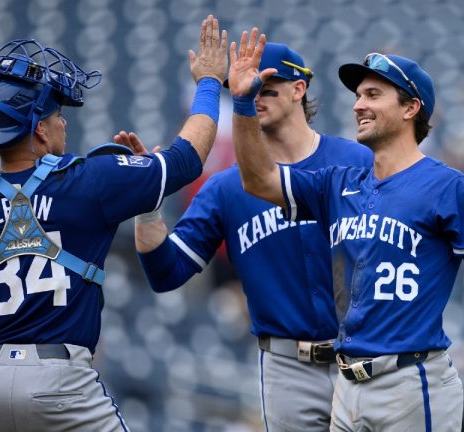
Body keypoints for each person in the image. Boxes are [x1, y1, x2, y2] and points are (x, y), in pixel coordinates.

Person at [0, 15, 228, 432]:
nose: (64, 122)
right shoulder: (90, 179)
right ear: (39, 129)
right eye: (57, 115)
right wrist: (208, 83)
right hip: (58, 381)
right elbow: (187, 159)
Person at [226, 28, 464, 431]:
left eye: (373, 95)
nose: (358, 105)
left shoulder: (449, 187)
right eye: (358, 96)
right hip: (348, 384)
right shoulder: (336, 183)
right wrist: (242, 104)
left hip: (411, 382)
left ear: (411, 108)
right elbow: (258, 180)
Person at [127, 41, 373, 431]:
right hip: (289, 368)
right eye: (244, 91)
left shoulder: (359, 162)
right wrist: (148, 206)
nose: (254, 98)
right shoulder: (226, 188)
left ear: (299, 89)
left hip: (366, 355)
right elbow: (165, 273)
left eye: (266, 89)